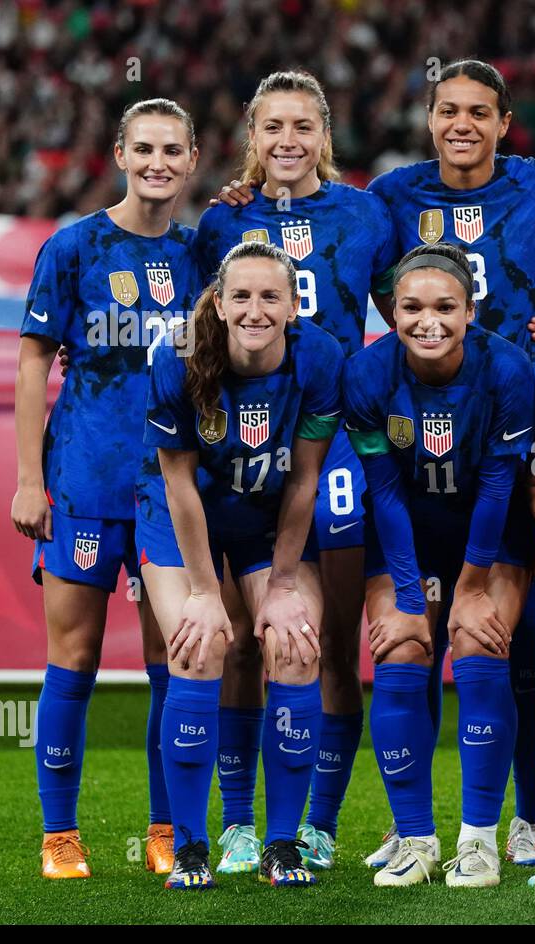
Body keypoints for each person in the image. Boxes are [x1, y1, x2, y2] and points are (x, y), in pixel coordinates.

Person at [364, 59, 535, 869]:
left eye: (479, 112)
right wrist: (248, 192)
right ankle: (410, 826)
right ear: (429, 117)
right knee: (400, 642)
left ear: (504, 121)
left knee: (510, 647)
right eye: (448, 109)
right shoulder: (388, 197)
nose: (462, 125)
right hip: (418, 427)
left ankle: (516, 819)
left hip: (507, 413)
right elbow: (322, 223)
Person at [198, 70, 398, 872]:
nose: (288, 141)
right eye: (272, 127)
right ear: (253, 135)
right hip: (240, 453)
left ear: (324, 136)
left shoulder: (363, 212)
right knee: (242, 642)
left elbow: (415, 305)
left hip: (334, 444)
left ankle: (315, 823)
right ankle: (240, 821)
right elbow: (193, 334)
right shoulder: (223, 223)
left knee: (328, 643)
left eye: (303, 127)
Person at [12, 98, 200, 880]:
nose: (158, 162)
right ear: (120, 153)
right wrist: (27, 477)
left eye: (173, 150)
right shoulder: (74, 246)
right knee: (75, 655)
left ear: (192, 161)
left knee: (172, 658)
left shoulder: (203, 256)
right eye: (144, 147)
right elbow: (32, 361)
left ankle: (164, 828)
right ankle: (61, 834)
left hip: (170, 489)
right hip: (83, 481)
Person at [139, 240, 342, 888]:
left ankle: (280, 845)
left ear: (293, 306)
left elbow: (305, 481)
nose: (256, 309)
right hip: (181, 522)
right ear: (220, 305)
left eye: (270, 296)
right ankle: (193, 846)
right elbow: (179, 491)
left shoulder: (320, 357)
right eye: (243, 296)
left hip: (265, 521)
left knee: (296, 642)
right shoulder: (175, 360)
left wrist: (282, 582)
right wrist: (204, 590)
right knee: (198, 646)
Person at [342, 243, 535, 888]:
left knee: (478, 646)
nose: (429, 321)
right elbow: (385, 491)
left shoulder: (508, 370)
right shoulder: (367, 375)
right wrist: (407, 591)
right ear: (390, 312)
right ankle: (416, 838)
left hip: (493, 533)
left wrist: (473, 585)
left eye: (446, 307)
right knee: (399, 654)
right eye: (412, 308)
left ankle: (479, 841)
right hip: (408, 536)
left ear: (470, 311)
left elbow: (499, 486)